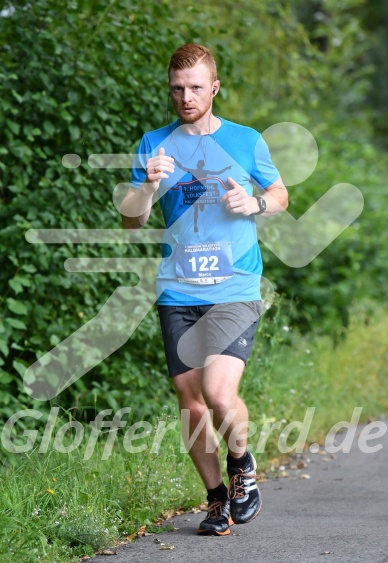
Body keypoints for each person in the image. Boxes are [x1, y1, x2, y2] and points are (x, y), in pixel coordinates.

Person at [121, 43, 288, 536]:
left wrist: (253, 205)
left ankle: (241, 462)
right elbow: (132, 222)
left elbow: (280, 195)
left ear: (214, 87)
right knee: (191, 404)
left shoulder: (245, 139)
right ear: (169, 90)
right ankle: (216, 499)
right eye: (177, 88)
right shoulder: (155, 143)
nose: (186, 96)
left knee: (218, 394)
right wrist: (148, 186)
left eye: (196, 87)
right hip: (178, 292)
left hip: (234, 287)